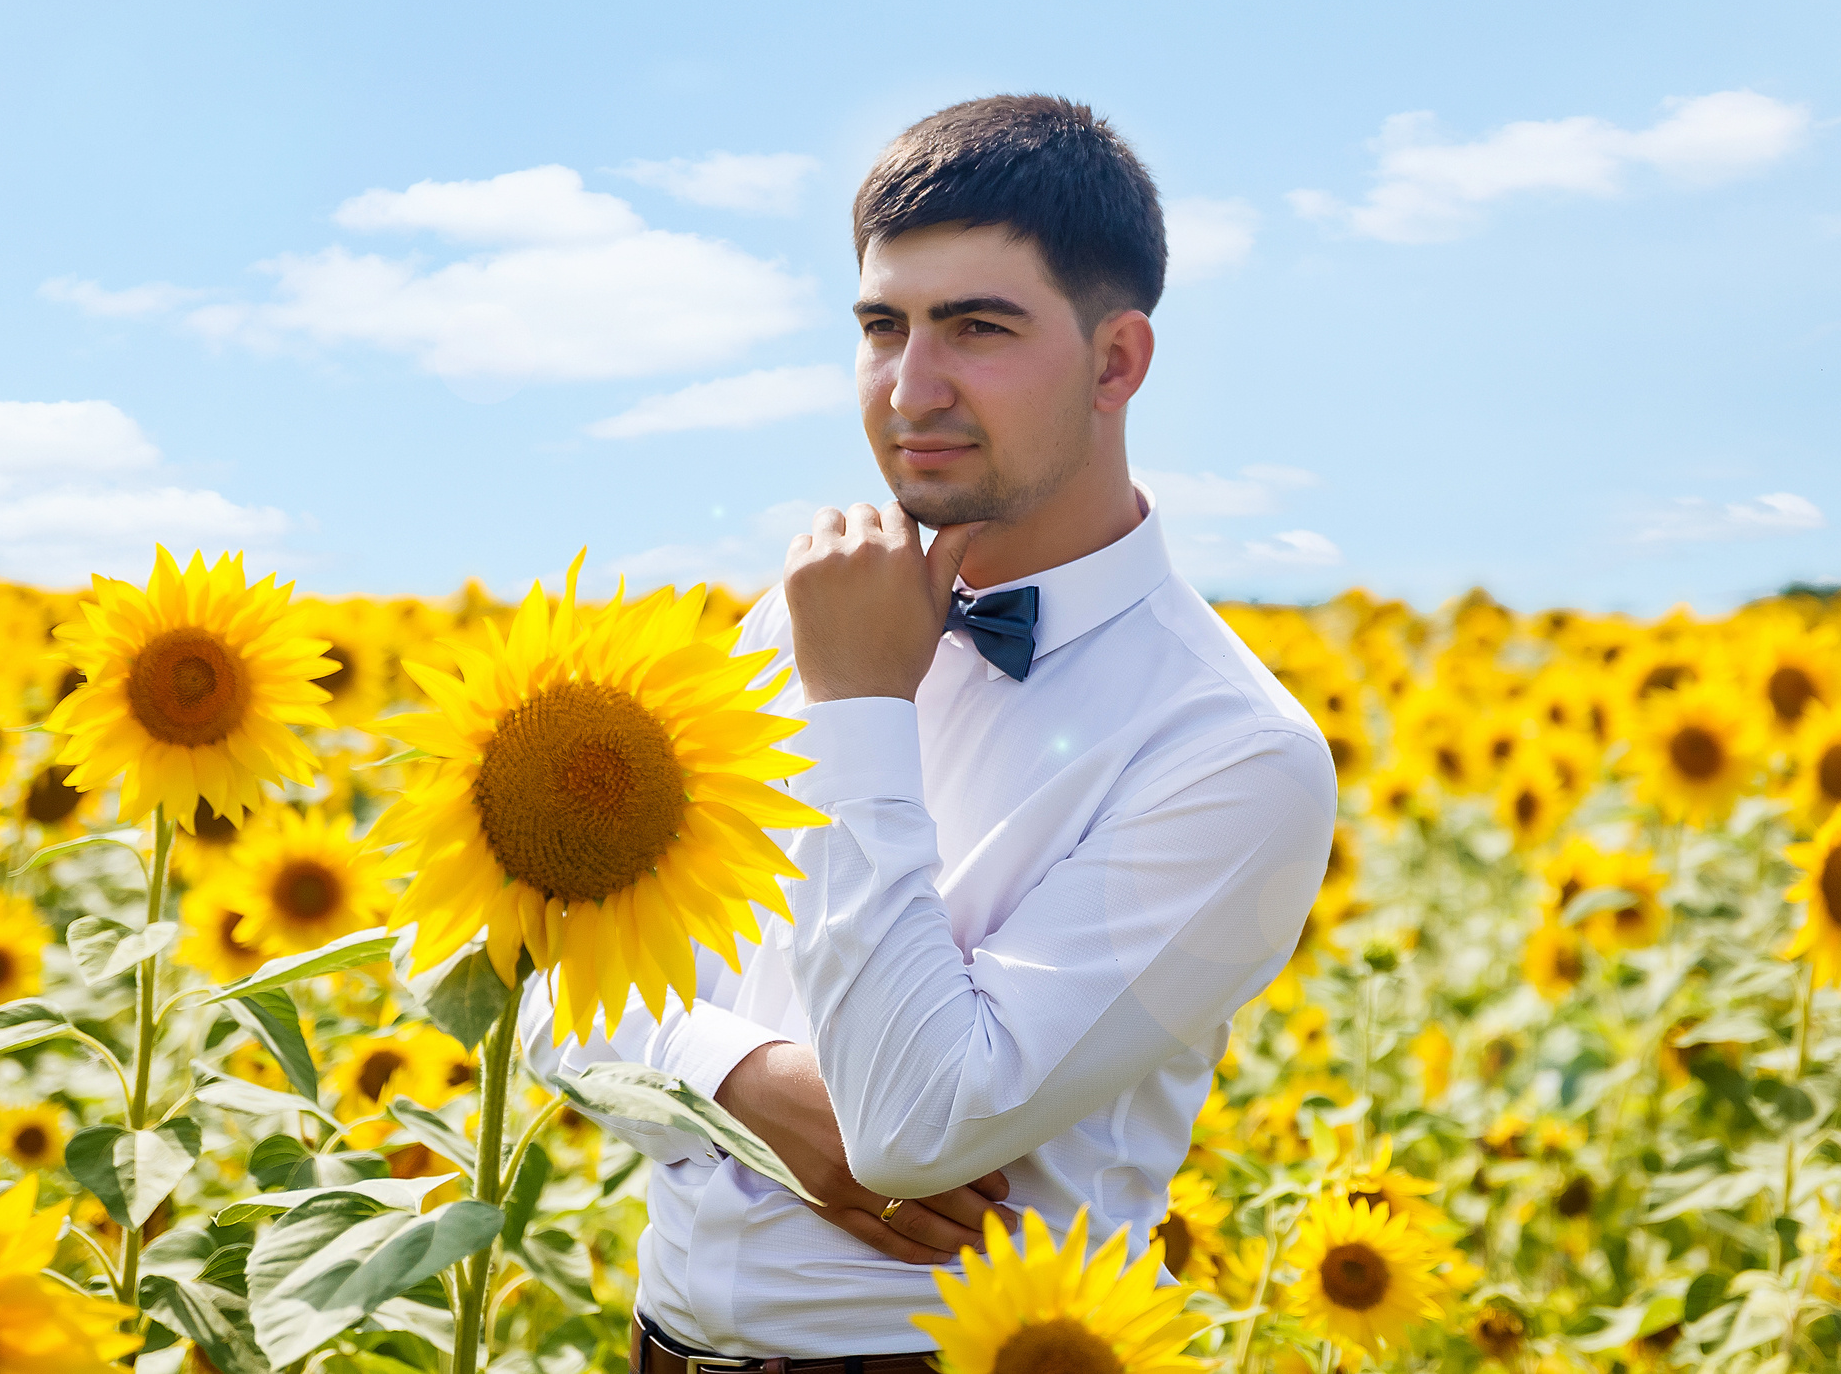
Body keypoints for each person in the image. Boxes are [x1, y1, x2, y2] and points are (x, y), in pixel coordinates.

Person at [522, 93, 1337, 1369]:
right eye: (882, 327)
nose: (913, 388)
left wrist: (858, 708)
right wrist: (746, 1088)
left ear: (1117, 362)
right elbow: (546, 988)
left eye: (978, 328)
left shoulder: (1230, 751)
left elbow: (914, 1124)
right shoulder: (772, 628)